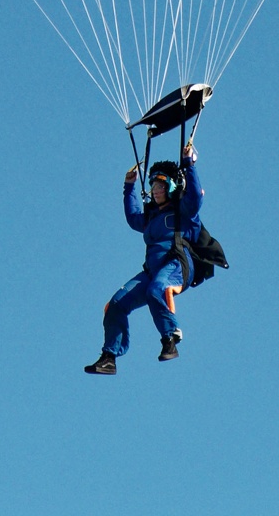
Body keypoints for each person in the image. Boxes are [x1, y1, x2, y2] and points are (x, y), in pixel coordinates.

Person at [84, 144, 203, 374]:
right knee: (116, 304)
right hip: (151, 271)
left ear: (169, 187)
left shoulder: (183, 212)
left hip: (176, 265)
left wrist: (189, 164)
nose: (155, 190)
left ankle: (170, 337)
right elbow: (132, 218)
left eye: (160, 185)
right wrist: (129, 186)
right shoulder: (151, 217)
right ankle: (109, 357)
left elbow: (196, 195)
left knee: (157, 289)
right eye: (152, 185)